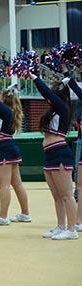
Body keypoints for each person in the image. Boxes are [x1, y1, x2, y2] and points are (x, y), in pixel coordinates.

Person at [28, 69, 78, 240]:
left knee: (66, 194)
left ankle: (71, 230)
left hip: (60, 153)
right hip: (49, 154)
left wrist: (35, 77)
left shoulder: (63, 107)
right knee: (56, 195)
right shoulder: (52, 111)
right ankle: (61, 225)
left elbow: (46, 92)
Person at [0, 81, 31, 225]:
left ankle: (3, 217)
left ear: (4, 100)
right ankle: (25, 213)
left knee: (4, 185)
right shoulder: (9, 110)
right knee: (17, 184)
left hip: (4, 149)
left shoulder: (6, 111)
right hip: (8, 148)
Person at [61, 64, 82, 232]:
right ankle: (78, 220)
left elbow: (79, 91)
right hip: (81, 139)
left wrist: (68, 77)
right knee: (80, 183)